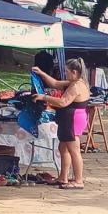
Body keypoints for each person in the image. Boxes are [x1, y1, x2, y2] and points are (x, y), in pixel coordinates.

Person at [32, 58, 90, 189]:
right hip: (68, 119)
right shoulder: (74, 82)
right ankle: (63, 177)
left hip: (72, 120)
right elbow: (56, 83)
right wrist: (41, 73)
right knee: (63, 148)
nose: (65, 74)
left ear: (74, 72)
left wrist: (44, 97)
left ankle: (78, 180)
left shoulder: (76, 86)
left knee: (74, 150)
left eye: (67, 71)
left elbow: (63, 102)